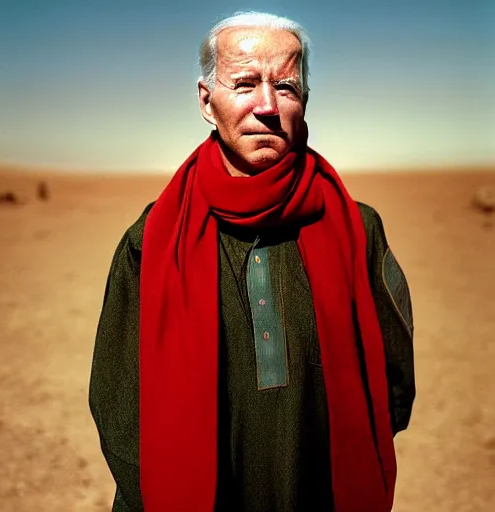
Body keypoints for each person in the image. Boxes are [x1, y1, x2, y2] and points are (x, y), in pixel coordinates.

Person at [89, 11, 415, 512]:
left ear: (305, 100)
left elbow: (392, 380)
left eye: (285, 86)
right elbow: (117, 403)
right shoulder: (152, 239)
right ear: (205, 101)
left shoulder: (357, 228)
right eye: (244, 83)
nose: (266, 105)